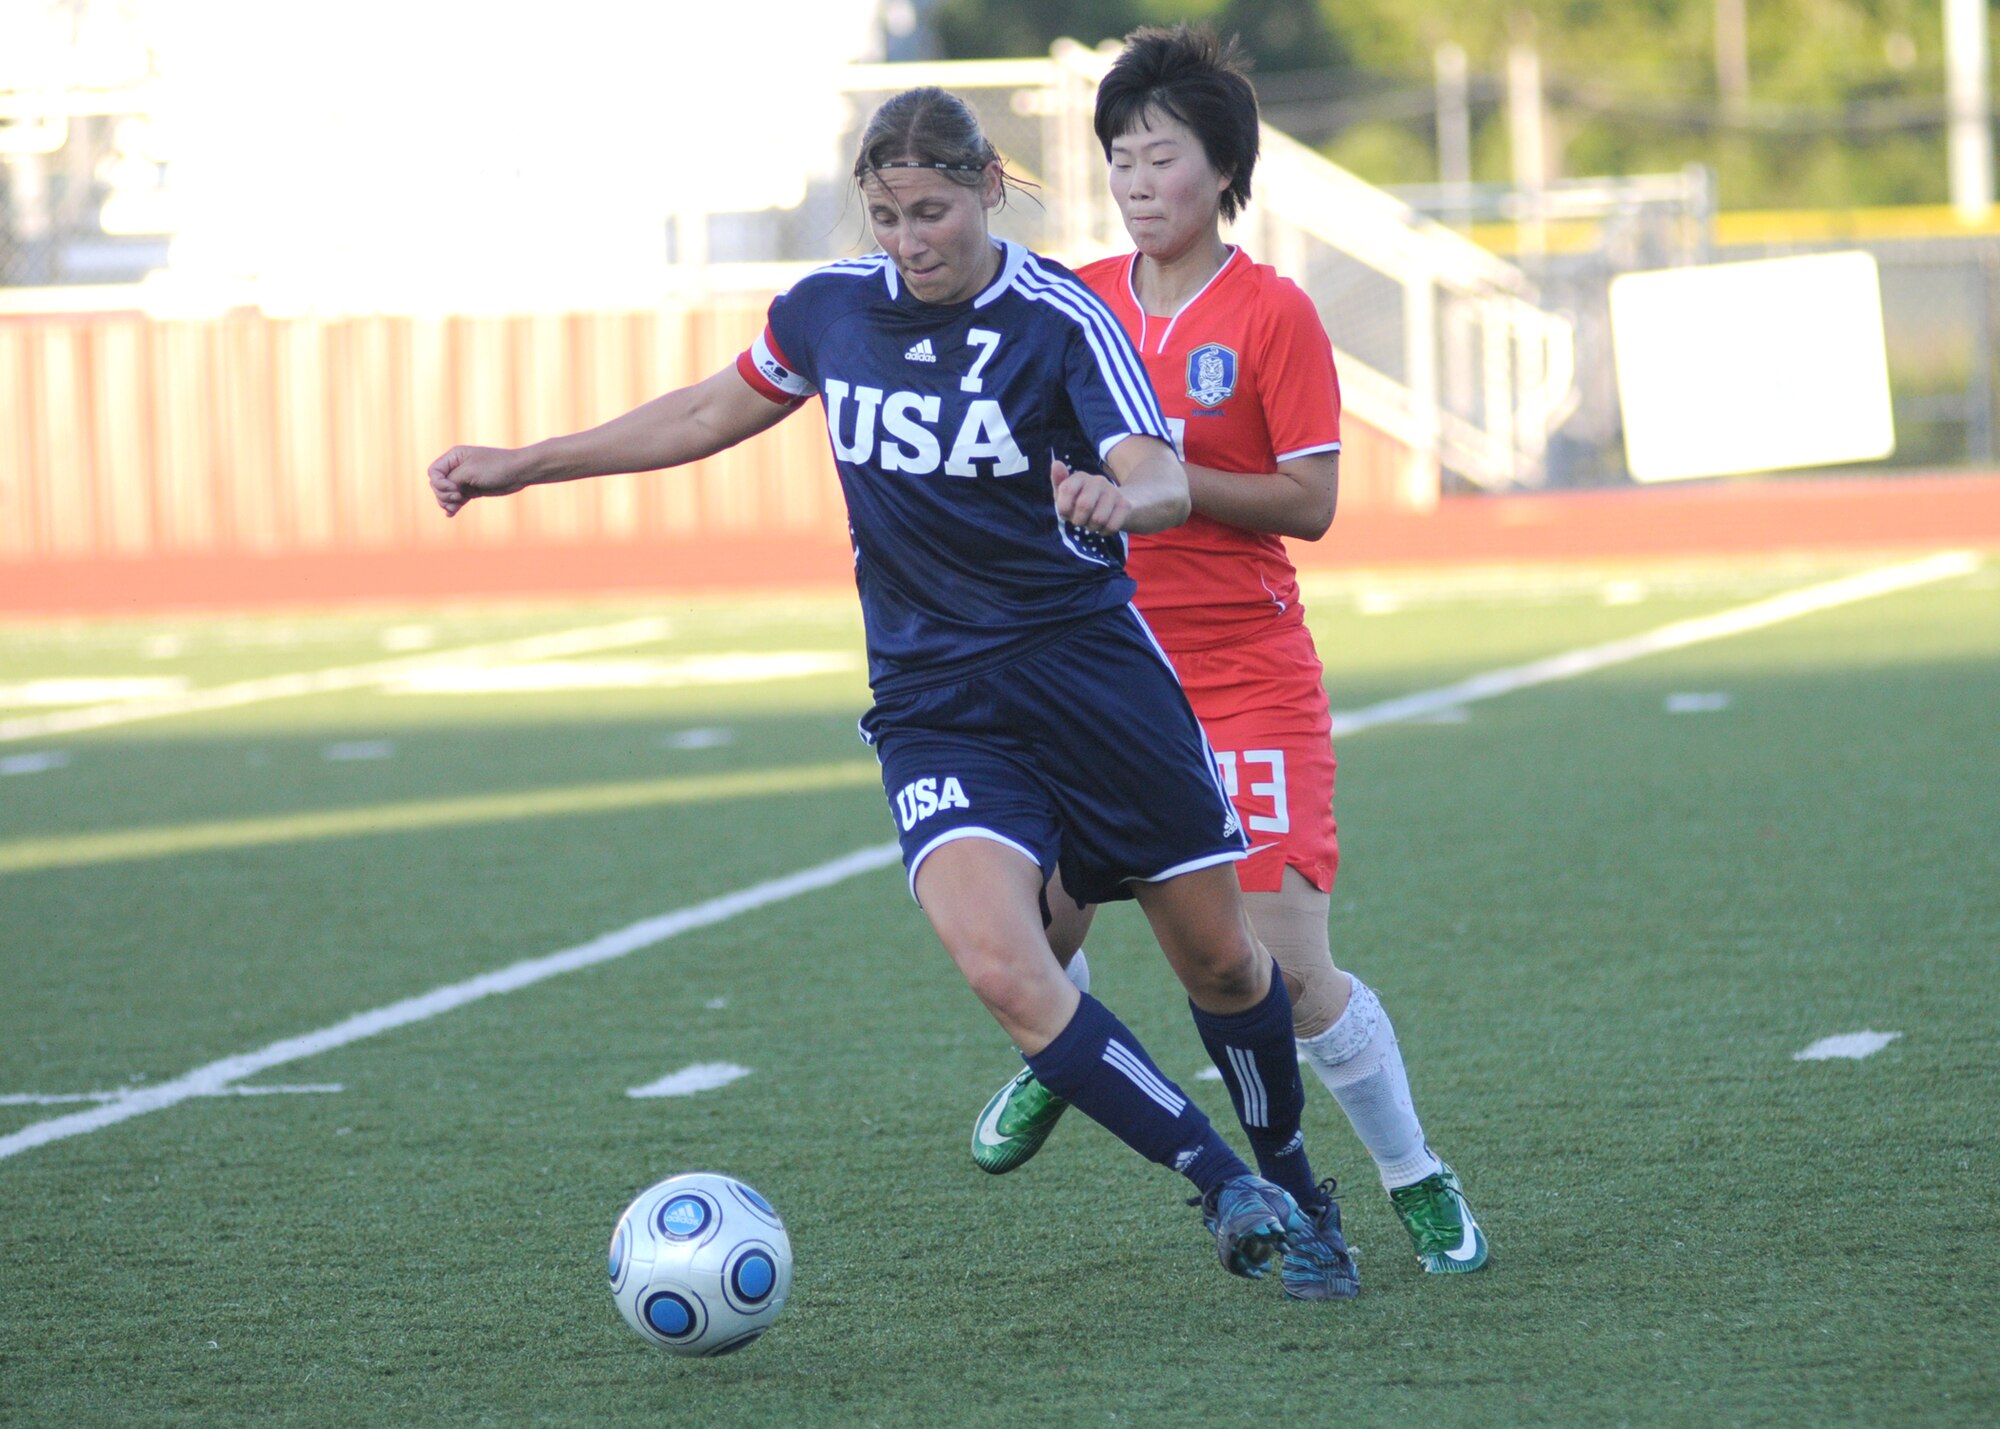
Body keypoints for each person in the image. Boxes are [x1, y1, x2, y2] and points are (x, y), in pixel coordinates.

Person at [426, 85, 1356, 1298]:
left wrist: (1123, 500)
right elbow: (713, 408)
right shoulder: (828, 313)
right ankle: (1219, 1182)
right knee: (1003, 969)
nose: (910, 240)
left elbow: (1157, 473)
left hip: (1090, 681)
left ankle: (1290, 1175)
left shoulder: (1060, 313)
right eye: (885, 216)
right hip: (934, 702)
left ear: (984, 191)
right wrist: (524, 465)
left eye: (930, 211)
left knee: (1228, 970)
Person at [965, 25, 1490, 1279]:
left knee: (1288, 970)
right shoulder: (1070, 299)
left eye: (1159, 157)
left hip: (1241, 672)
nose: (1136, 182)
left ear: (1221, 172)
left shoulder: (1271, 314)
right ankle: (1067, 1053)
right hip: (1093, 662)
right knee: (1021, 931)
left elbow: (1308, 501)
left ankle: (1415, 1175)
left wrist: (1153, 487)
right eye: (1118, 160)